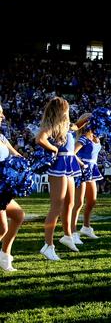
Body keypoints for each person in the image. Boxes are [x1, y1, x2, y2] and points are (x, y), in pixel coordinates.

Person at [36, 97, 83, 260]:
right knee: (57, 206)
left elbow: (79, 125)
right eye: (66, 109)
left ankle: (67, 236)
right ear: (60, 110)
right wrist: (53, 149)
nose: (68, 111)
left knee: (70, 203)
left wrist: (92, 116)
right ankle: (48, 245)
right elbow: (40, 139)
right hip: (59, 167)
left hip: (69, 165)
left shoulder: (68, 126)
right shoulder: (53, 126)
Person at [0, 104, 26, 271]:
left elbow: (16, 155)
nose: (3, 117)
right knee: (2, 227)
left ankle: (4, 255)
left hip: (2, 188)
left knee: (17, 216)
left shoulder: (1, 137)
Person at [72, 113, 103, 242]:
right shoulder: (84, 138)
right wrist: (81, 164)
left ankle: (86, 226)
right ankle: (72, 232)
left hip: (92, 169)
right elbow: (72, 153)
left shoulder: (96, 137)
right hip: (83, 169)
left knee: (92, 200)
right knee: (78, 202)